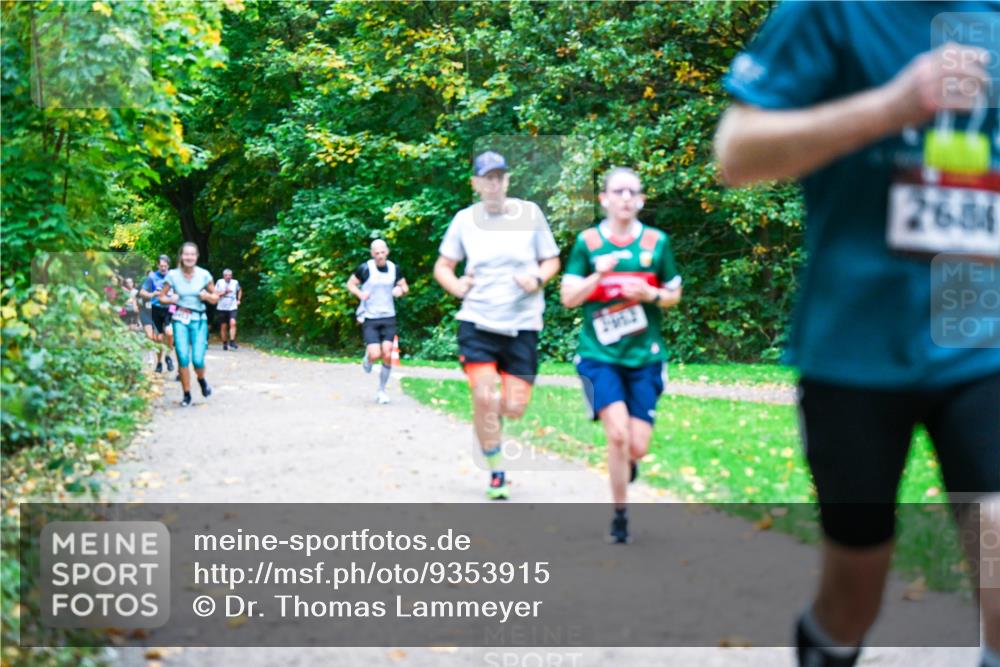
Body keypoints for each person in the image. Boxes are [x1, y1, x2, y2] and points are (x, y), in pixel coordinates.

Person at [714, 4, 1000, 666]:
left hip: (979, 333)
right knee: (854, 594)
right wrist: (893, 105)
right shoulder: (828, 11)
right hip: (854, 346)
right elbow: (735, 152)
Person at [561, 167, 682, 544]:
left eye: (633, 192)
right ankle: (620, 514)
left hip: (645, 357)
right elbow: (568, 299)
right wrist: (598, 276)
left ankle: (628, 465)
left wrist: (652, 296)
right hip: (599, 355)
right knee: (616, 434)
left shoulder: (656, 244)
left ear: (642, 200)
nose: (626, 198)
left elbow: (674, 294)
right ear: (604, 199)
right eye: (618, 191)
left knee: (637, 445)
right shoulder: (588, 244)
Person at [434, 151, 561, 499]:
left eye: (498, 177)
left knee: (514, 408)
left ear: (507, 181)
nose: (493, 183)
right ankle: (496, 471)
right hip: (478, 320)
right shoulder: (464, 220)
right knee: (485, 396)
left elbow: (551, 260)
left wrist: (536, 277)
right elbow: (443, 266)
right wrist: (458, 286)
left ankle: (493, 427)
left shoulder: (530, 214)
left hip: (522, 324)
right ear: (475, 184)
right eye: (486, 177)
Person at [346, 239, 409, 404]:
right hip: (370, 317)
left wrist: (400, 291)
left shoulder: (395, 269)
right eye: (377, 253)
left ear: (387, 251)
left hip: (389, 316)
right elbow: (350, 284)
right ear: (372, 254)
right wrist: (361, 295)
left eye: (382, 252)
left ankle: (381, 391)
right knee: (376, 354)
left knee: (387, 353)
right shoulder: (365, 268)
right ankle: (368, 357)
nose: (380, 256)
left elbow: (405, 287)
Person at [157, 242, 219, 407]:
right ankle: (186, 394)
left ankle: (202, 380)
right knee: (183, 357)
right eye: (186, 254)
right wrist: (171, 299)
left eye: (192, 254)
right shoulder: (173, 275)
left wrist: (206, 296)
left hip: (199, 320)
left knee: (198, 359)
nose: (189, 257)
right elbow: (161, 297)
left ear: (197, 257)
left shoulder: (204, 275)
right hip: (180, 320)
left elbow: (216, 297)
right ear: (181, 257)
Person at [140, 256, 176, 374]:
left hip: (168, 308)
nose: (163, 268)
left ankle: (168, 357)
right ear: (157, 265)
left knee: (169, 333)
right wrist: (152, 294)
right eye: (161, 266)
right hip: (155, 309)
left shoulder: (173, 276)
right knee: (159, 338)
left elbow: (178, 292)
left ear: (168, 266)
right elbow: (142, 292)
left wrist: (175, 302)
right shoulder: (152, 277)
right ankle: (159, 363)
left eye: (165, 266)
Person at [214, 268, 242, 351]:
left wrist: (238, 299)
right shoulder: (219, 282)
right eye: (227, 275)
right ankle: (224, 343)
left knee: (233, 323)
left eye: (230, 275)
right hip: (222, 306)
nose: (228, 277)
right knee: (223, 326)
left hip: (232, 305)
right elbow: (215, 294)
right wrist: (225, 292)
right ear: (224, 276)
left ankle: (232, 341)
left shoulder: (235, 282)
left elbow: (240, 290)